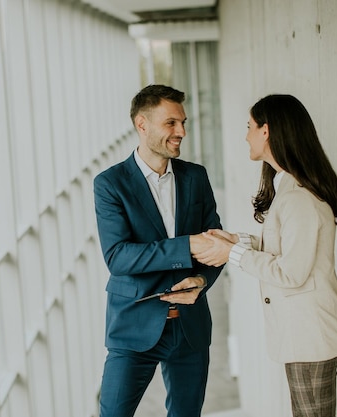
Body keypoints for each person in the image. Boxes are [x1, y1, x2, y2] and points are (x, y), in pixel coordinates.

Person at [195, 94, 337, 417]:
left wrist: (233, 253)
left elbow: (290, 272)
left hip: (312, 338)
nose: (246, 135)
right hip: (306, 337)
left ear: (266, 131)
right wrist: (237, 240)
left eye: (249, 126)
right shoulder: (291, 188)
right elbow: (288, 248)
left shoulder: (300, 197)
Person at [93, 84, 224, 417]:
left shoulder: (196, 177)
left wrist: (202, 280)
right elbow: (118, 257)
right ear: (142, 124)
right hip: (133, 326)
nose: (181, 131)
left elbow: (216, 244)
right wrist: (187, 246)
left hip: (190, 329)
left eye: (183, 122)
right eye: (171, 123)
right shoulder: (110, 184)